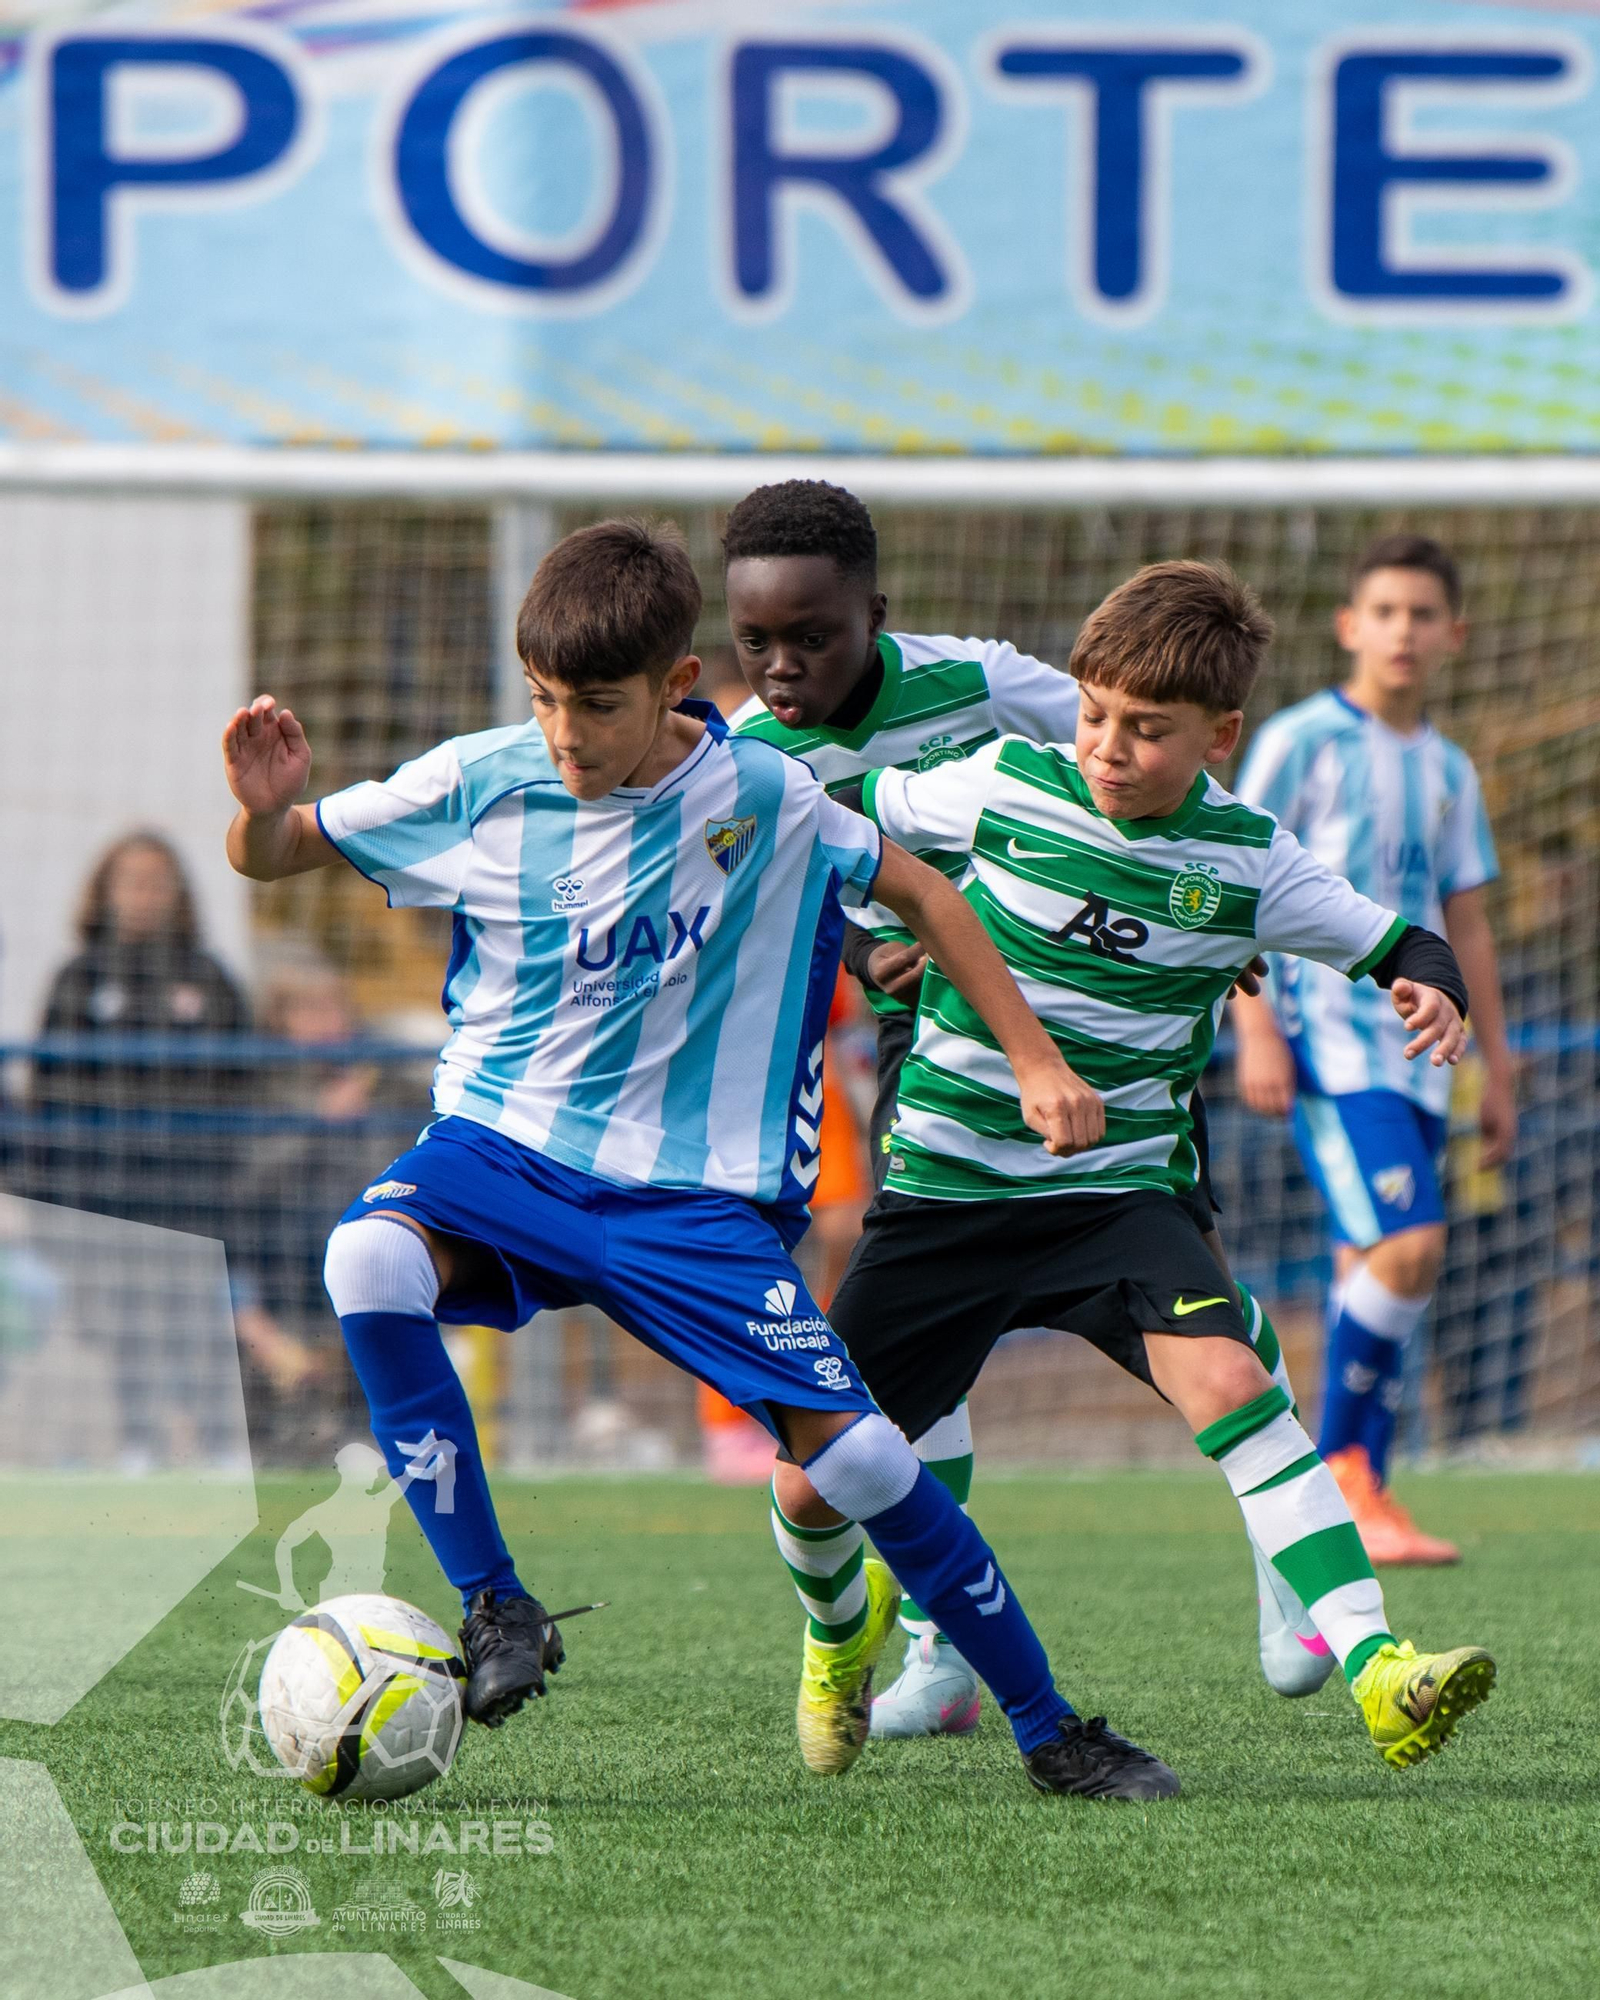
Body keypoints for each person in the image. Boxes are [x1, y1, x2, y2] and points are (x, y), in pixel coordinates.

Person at [222, 517, 1180, 1803]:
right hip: (503, 1155)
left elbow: (929, 897)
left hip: (696, 1202)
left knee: (855, 1464)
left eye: (598, 705)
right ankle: (497, 1604)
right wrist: (266, 810)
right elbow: (279, 855)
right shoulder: (479, 781)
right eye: (547, 699)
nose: (566, 734)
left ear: (676, 684)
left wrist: (1036, 1059)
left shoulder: (769, 797)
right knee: (367, 1256)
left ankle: (1054, 1729)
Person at [771, 558, 1497, 1774]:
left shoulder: (1252, 859)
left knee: (1233, 1380)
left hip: (1115, 1196)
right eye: (1095, 715)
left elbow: (1396, 935)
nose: (1106, 747)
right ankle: (838, 1640)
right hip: (947, 1195)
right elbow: (831, 826)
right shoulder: (1000, 780)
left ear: (1222, 735)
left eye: (1146, 731)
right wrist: (873, 937)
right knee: (810, 1487)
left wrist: (1436, 982)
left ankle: (1380, 1668)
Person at [723, 479, 1330, 1740]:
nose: (784, 669)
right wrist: (863, 951)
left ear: (870, 617)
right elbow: (760, 898)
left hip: (1099, 1014)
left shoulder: (983, 687)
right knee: (917, 1345)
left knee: (1195, 1300)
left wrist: (1219, 906)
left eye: (812, 637)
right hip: (928, 1030)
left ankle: (1292, 1566)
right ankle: (942, 1640)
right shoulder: (746, 757)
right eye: (757, 644)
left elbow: (1131, 769)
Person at [1230, 534, 1516, 1565]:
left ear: (1452, 634)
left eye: (1421, 613)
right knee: (1410, 1243)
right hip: (1329, 1041)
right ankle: (1339, 1476)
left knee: (1375, 1265)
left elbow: (1465, 924)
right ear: (1351, 626)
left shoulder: (1446, 767)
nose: (1402, 629)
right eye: (1383, 610)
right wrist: (1252, 1022)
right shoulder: (1303, 740)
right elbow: (1237, 876)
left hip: (1423, 1054)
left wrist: (1496, 1063)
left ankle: (1354, 1497)